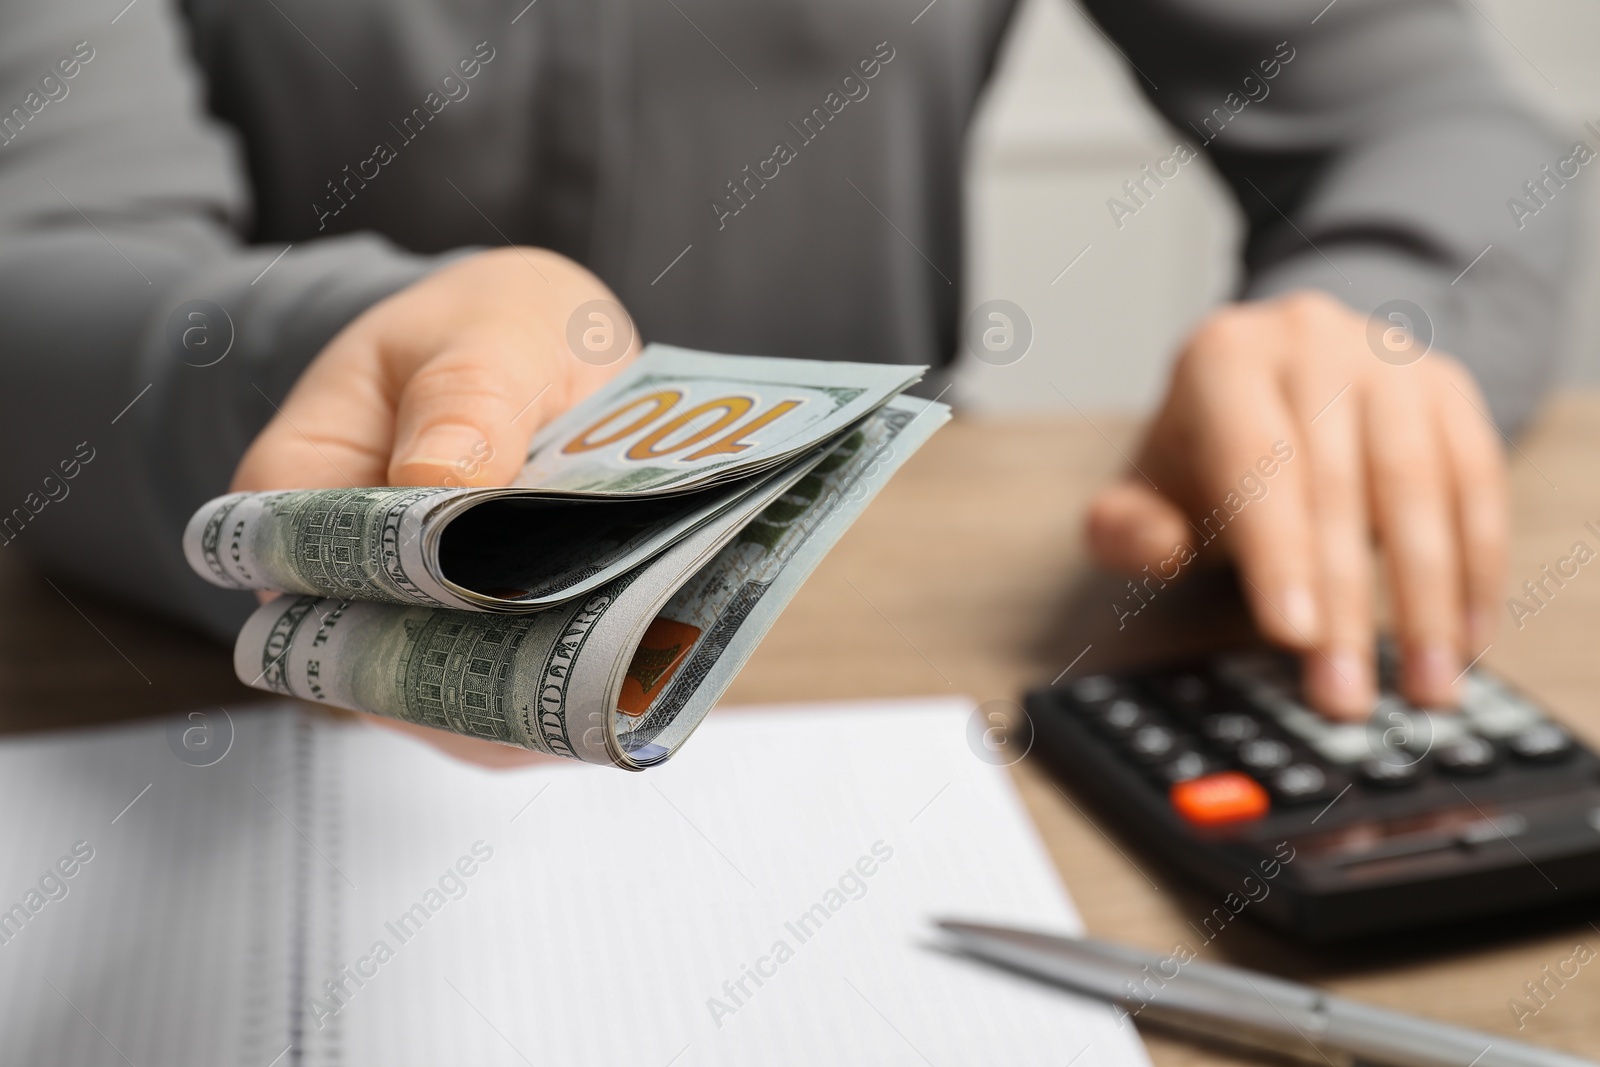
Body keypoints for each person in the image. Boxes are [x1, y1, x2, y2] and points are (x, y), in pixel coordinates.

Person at [0, 0, 1574, 757]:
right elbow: (41, 257)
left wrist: (1374, 314)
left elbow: (1427, 108)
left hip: (890, 674)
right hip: (195, 691)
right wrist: (314, 348)